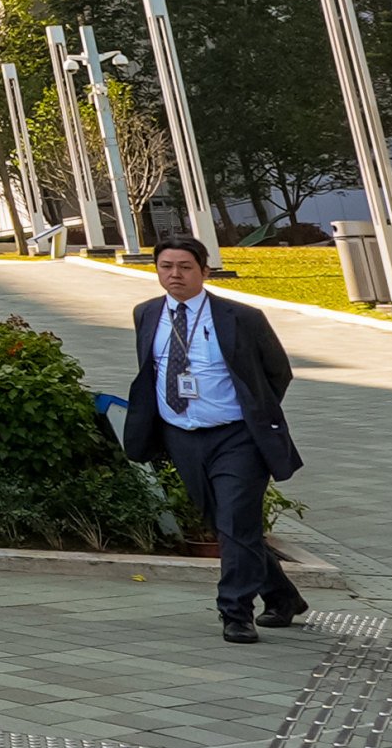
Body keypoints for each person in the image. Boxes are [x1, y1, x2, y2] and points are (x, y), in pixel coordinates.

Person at [114, 234, 310, 643]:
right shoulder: (146, 314)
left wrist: (256, 413)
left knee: (237, 520)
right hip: (181, 435)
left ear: (204, 270)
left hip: (236, 436)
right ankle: (282, 595)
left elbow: (278, 372)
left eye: (185, 267)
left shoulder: (241, 317)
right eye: (166, 267)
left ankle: (235, 612)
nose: (175, 275)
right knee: (228, 525)